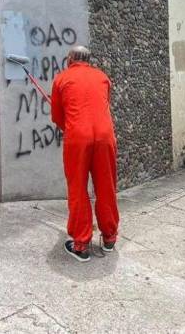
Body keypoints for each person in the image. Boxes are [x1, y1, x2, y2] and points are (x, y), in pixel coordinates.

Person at [51, 46, 119, 263]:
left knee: (78, 188)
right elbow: (102, 105)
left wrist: (72, 127)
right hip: (105, 136)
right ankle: (109, 238)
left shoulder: (62, 79)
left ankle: (81, 245)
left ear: (70, 59)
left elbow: (57, 117)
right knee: (106, 185)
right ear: (89, 60)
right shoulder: (102, 77)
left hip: (78, 137)